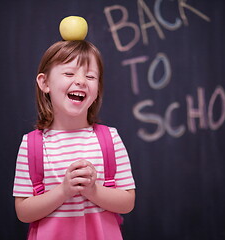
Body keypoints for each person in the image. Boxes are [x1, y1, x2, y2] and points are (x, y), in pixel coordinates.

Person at [12, 40, 136, 239]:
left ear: (97, 89)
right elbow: (24, 212)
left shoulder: (110, 139)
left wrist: (93, 190)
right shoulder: (31, 145)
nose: (81, 81)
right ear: (45, 83)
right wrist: (64, 190)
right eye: (69, 73)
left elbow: (127, 202)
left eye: (90, 76)